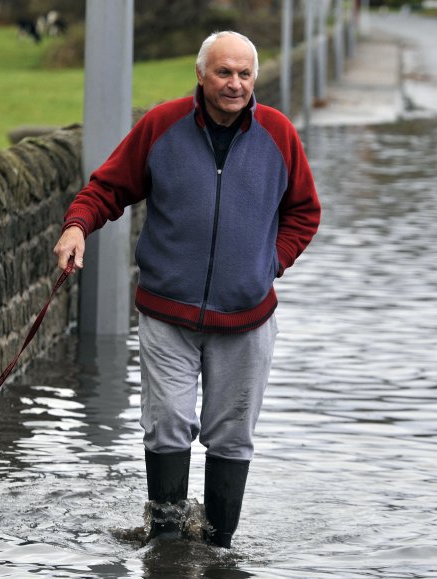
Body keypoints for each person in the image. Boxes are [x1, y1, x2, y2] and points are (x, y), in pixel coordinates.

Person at [53, 31, 321, 548]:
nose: (235, 84)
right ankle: (168, 543)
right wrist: (76, 227)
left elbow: (304, 211)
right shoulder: (162, 126)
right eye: (224, 72)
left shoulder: (279, 134)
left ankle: (219, 546)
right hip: (166, 310)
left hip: (247, 318)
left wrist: (270, 263)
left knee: (232, 434)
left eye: (244, 74)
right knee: (168, 421)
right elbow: (108, 188)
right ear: (200, 74)